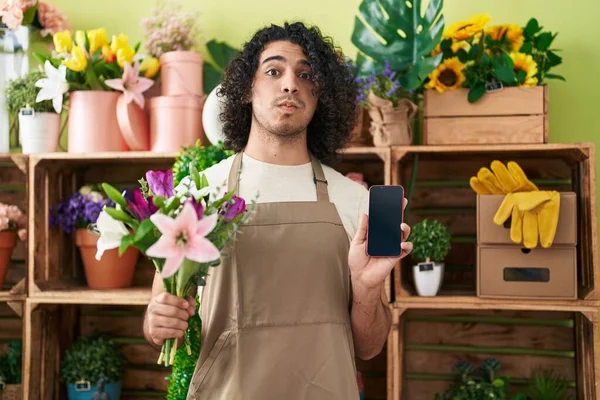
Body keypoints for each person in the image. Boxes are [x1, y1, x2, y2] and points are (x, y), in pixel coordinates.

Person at [143, 21, 413, 399]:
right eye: (274, 71)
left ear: (321, 97)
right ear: (246, 90)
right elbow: (160, 312)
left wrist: (367, 291)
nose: (290, 84)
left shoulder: (355, 201)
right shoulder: (200, 193)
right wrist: (158, 323)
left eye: (306, 75)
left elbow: (369, 347)